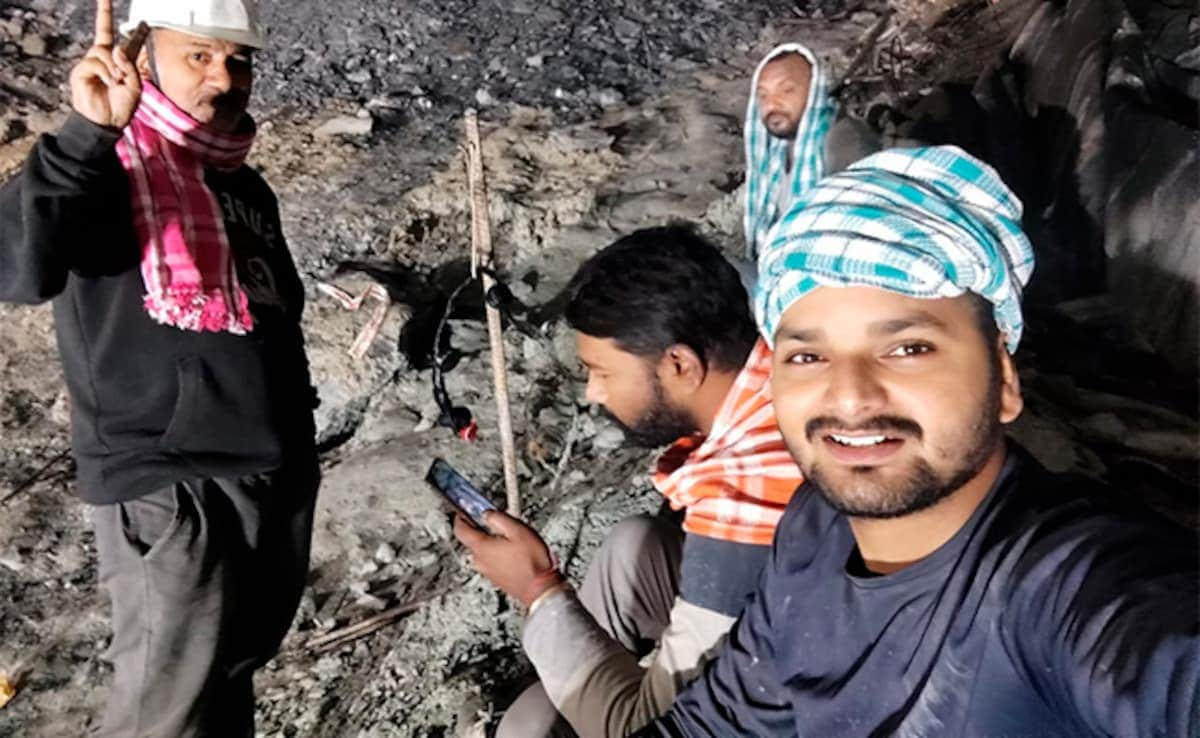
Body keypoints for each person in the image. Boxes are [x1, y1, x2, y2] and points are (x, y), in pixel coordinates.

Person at [631, 146, 1199, 737]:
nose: (848, 397)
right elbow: (719, 723)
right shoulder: (812, 528)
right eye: (807, 355)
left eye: (908, 349)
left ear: (1003, 380)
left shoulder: (1063, 587)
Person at [0, 1, 319, 735]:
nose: (225, 77)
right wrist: (89, 133)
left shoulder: (240, 187)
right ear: (144, 59)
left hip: (270, 478)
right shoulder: (106, 168)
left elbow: (277, 317)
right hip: (172, 486)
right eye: (199, 55)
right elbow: (17, 267)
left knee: (227, 690)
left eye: (238, 59)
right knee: (163, 716)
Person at [454, 225, 804, 738]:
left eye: (603, 372)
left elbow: (649, 729)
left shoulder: (744, 495)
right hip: (786, 632)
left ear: (679, 364)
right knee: (631, 549)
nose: (593, 393)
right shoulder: (780, 367)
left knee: (528, 727)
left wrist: (538, 587)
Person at [742, 43, 875, 263]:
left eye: (787, 90)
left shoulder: (843, 139)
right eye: (763, 95)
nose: (772, 104)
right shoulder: (775, 150)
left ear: (814, 90)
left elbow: (854, 231)